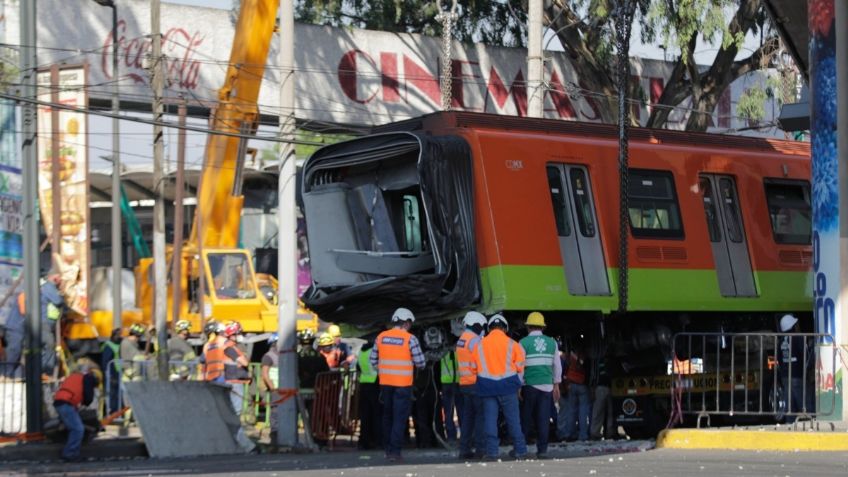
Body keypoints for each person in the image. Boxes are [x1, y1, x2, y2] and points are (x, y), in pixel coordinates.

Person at [369, 307, 426, 461]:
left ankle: (388, 450)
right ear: (406, 323)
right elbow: (421, 363)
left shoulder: (381, 337)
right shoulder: (410, 339)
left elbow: (373, 360)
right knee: (399, 418)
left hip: (385, 384)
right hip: (403, 385)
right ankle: (395, 451)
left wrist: (385, 370)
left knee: (387, 417)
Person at [475, 314, 527, 460]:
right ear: (505, 328)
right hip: (508, 387)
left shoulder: (479, 345)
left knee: (490, 421)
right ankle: (520, 451)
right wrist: (518, 385)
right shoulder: (513, 344)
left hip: (487, 388)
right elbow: (521, 367)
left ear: (489, 328)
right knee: (513, 421)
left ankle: (492, 452)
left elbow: (474, 368)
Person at [518, 312, 561, 459]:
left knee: (526, 418)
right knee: (543, 419)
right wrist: (556, 384)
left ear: (528, 327)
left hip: (529, 385)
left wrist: (519, 385)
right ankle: (542, 450)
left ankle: (521, 449)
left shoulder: (523, 343)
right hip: (547, 386)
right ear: (542, 327)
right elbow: (557, 365)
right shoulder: (552, 343)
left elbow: (520, 366)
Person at [53, 362, 99, 461]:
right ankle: (69, 453)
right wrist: (86, 403)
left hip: (60, 401)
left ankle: (74, 453)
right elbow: (88, 397)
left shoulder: (74, 376)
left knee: (72, 427)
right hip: (66, 403)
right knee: (78, 429)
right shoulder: (88, 378)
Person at [456, 311, 486, 459]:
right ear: (475, 325)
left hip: (465, 384)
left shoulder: (461, 339)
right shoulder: (474, 340)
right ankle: (480, 449)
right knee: (481, 417)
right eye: (481, 326)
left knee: (467, 418)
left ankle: (464, 449)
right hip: (476, 383)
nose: (482, 329)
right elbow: (482, 362)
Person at [778, 313, 814, 419]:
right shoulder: (798, 338)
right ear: (792, 326)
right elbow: (806, 356)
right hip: (798, 376)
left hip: (785, 377)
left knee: (789, 406)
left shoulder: (781, 340)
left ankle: (789, 425)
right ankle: (808, 424)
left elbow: (779, 359)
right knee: (805, 404)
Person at [559, 341, 590, 442]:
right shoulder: (585, 356)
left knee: (571, 411)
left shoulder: (568, 357)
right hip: (582, 386)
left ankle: (569, 434)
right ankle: (583, 435)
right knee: (583, 412)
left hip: (571, 384)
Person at [357, 339, 382, 450]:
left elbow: (358, 367)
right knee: (377, 414)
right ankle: (377, 440)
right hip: (374, 384)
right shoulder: (374, 351)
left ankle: (364, 441)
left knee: (365, 416)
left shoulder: (362, 351)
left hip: (364, 384)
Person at [439, 334, 462, 443]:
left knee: (448, 413)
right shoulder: (460, 351)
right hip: (457, 383)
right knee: (462, 411)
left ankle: (451, 437)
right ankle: (465, 436)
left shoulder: (443, 352)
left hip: (447, 384)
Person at [589, 345, 615, 440]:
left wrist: (592, 387)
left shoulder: (598, 360)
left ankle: (596, 432)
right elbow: (594, 374)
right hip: (605, 387)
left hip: (602, 387)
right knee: (607, 412)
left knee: (599, 412)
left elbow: (593, 374)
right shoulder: (605, 360)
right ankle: (607, 432)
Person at [260, 333, 280, 443]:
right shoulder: (269, 356)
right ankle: (275, 436)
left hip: (286, 389)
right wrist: (272, 388)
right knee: (276, 413)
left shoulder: (283, 355)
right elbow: (265, 373)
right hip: (276, 389)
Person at [100, 329, 122, 414]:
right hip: (112, 373)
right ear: (113, 336)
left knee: (116, 394)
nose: (120, 337)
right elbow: (105, 363)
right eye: (118, 335)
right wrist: (109, 375)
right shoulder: (108, 346)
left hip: (117, 372)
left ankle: (116, 411)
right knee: (112, 394)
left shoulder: (117, 344)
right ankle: (113, 412)